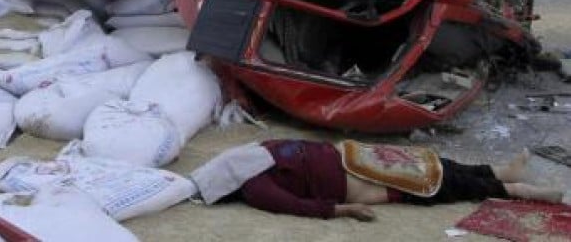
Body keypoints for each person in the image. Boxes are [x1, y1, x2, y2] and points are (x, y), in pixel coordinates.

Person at [192, 139, 568, 222]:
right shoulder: (256, 187)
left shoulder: (261, 151)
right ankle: (518, 190)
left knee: (429, 161)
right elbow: (297, 206)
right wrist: (347, 210)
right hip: (358, 185)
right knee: (438, 185)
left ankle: (501, 171)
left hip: (352, 156)